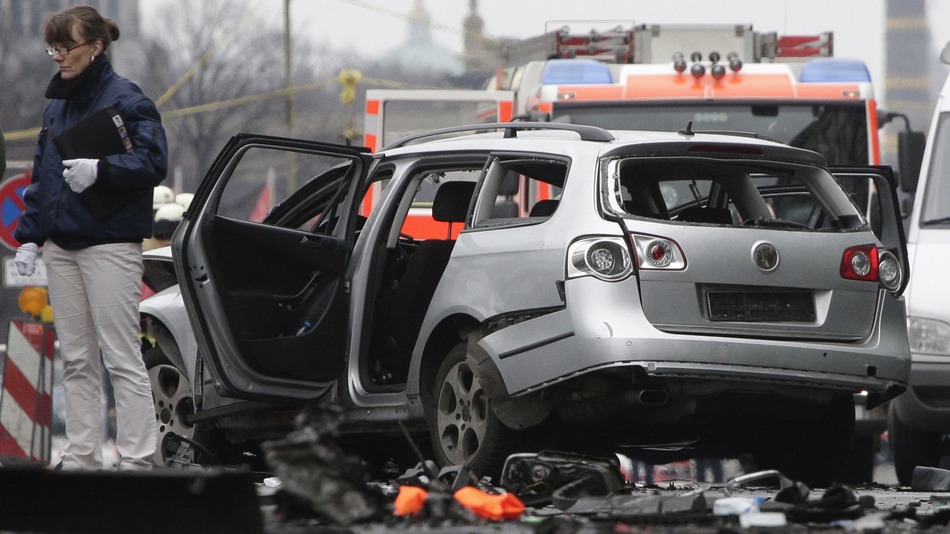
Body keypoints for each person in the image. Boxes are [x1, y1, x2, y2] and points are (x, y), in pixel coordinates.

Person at [13, 5, 168, 471]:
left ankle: (138, 459)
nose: (59, 56)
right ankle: (82, 456)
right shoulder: (56, 105)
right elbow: (43, 177)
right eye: (53, 48)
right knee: (77, 359)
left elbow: (153, 162)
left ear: (97, 47)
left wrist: (102, 169)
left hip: (110, 244)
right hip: (62, 246)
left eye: (67, 47)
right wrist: (29, 236)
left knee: (121, 356)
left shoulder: (128, 99)